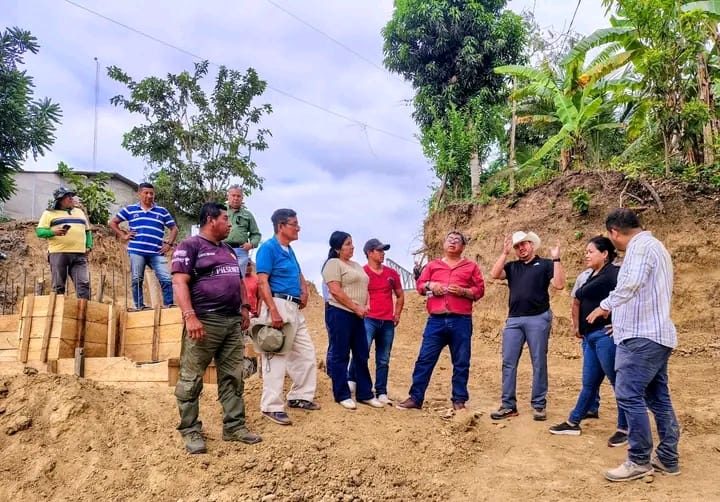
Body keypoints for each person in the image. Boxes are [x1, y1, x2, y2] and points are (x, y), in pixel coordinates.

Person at [587, 208, 680, 481]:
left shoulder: (639, 248)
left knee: (628, 393)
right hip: (655, 334)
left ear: (614, 232)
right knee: (658, 398)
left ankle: (639, 459)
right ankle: (668, 458)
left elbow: (631, 284)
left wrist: (605, 306)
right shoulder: (656, 247)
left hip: (641, 338)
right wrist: (620, 321)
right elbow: (645, 293)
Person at [171, 202, 261, 454]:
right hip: (204, 322)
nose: (229, 223)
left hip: (232, 323)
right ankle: (190, 429)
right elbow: (179, 282)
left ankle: (234, 427)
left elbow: (239, 281)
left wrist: (245, 308)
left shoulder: (228, 250)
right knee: (191, 378)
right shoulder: (190, 246)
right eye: (225, 218)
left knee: (233, 376)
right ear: (211, 220)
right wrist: (190, 316)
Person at [548, 236, 628, 447]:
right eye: (586, 251)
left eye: (591, 251)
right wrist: (578, 327)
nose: (586, 255)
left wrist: (619, 324)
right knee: (590, 383)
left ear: (605, 254)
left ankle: (624, 428)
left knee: (618, 382)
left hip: (605, 336)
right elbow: (578, 301)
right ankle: (573, 422)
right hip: (590, 336)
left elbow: (629, 297)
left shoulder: (615, 273)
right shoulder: (590, 275)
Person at [396, 231, 485, 411]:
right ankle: (415, 398)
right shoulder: (433, 265)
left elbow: (480, 290)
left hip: (461, 320)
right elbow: (420, 286)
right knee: (424, 359)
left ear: (463, 246)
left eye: (457, 240)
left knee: (461, 362)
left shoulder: (471, 267)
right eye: (449, 239)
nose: (453, 242)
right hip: (436, 320)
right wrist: (431, 285)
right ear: (444, 244)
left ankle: (459, 400)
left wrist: (464, 292)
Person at [489, 231, 565, 421]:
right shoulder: (512, 267)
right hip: (514, 320)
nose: (521, 248)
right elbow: (494, 274)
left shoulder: (546, 264)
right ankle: (508, 405)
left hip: (538, 317)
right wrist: (504, 253)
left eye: (524, 244)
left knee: (538, 362)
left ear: (532, 244)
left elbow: (559, 285)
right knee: (508, 362)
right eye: (517, 246)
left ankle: (539, 405)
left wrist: (556, 259)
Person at [255, 209, 319, 425]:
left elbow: (299, 272)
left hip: (293, 307)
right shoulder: (268, 248)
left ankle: (300, 396)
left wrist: (305, 290)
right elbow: (262, 281)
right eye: (294, 224)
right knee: (276, 355)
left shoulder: (289, 250)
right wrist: (272, 310)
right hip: (278, 304)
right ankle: (271, 406)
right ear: (281, 226)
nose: (298, 228)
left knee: (306, 352)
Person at [322, 231, 383, 410]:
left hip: (358, 314)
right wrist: (356, 307)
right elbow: (335, 290)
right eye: (348, 244)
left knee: (361, 353)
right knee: (340, 354)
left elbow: (365, 287)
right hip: (339, 313)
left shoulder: (356, 265)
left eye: (352, 243)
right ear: (337, 248)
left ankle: (365, 393)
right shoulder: (333, 264)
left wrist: (366, 305)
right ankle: (342, 394)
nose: (352, 246)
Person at [347, 238, 405, 405]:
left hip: (387, 321)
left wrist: (397, 314)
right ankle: (352, 380)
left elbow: (400, 295)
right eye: (379, 250)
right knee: (361, 351)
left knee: (384, 358)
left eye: (383, 250)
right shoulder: (362, 273)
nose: (383, 253)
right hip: (369, 319)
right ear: (369, 253)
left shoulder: (391, 274)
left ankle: (381, 391)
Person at [110, 182, 178, 310]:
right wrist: (123, 235)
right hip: (136, 251)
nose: (149, 196)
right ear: (139, 194)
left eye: (151, 193)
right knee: (136, 279)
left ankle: (169, 305)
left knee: (166, 279)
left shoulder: (162, 211)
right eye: (146, 193)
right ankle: (140, 306)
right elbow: (113, 223)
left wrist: (169, 244)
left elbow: (174, 228)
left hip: (157, 252)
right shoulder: (130, 210)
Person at [36, 186, 92, 299]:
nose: (71, 198)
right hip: (59, 254)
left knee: (83, 284)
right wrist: (53, 232)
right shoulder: (49, 213)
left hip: (79, 254)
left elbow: (87, 231)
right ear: (60, 200)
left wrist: (89, 245)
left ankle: (84, 309)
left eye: (71, 196)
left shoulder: (79, 212)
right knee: (58, 285)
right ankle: (57, 308)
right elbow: (39, 232)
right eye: (68, 196)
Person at [224, 185, 261, 278]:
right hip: (222, 249)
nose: (236, 198)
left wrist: (251, 244)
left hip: (241, 251)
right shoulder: (220, 211)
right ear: (228, 196)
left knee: (238, 279)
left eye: (238, 196)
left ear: (242, 198)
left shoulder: (247, 215)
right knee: (222, 277)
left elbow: (256, 234)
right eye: (233, 195)